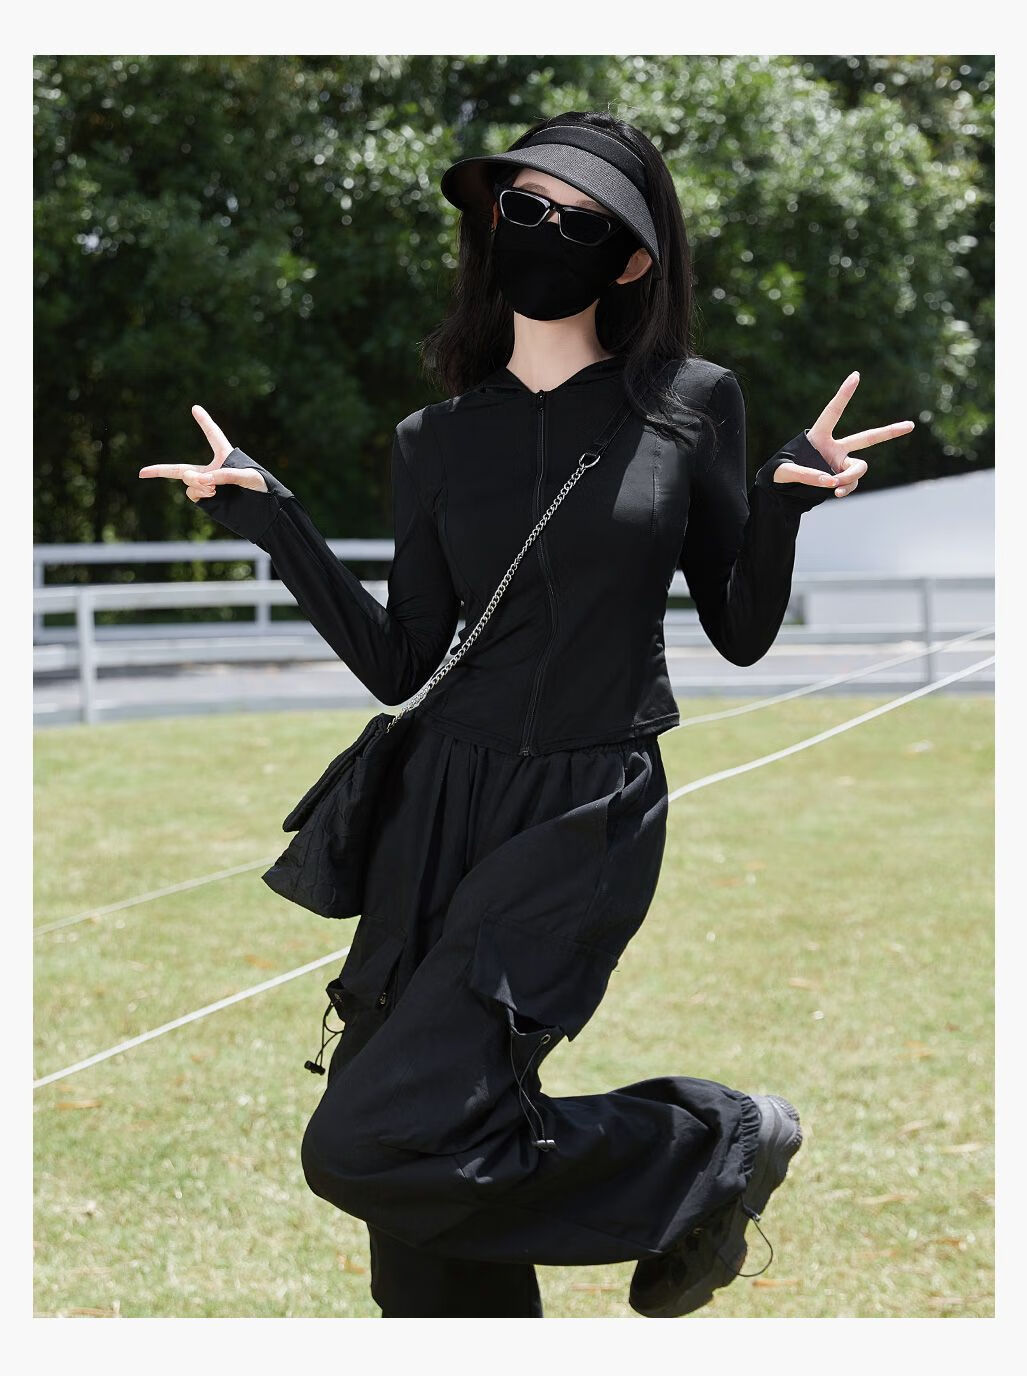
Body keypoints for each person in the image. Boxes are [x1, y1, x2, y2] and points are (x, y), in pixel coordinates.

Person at [139, 110, 915, 1319]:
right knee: (425, 1161)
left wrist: (778, 505)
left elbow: (739, 628)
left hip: (583, 808)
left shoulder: (691, 402)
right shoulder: (435, 438)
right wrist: (272, 519)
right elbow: (400, 659)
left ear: (633, 259)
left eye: (580, 218)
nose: (544, 229)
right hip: (436, 801)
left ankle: (705, 1140)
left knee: (362, 1140)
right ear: (489, 225)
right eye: (524, 206)